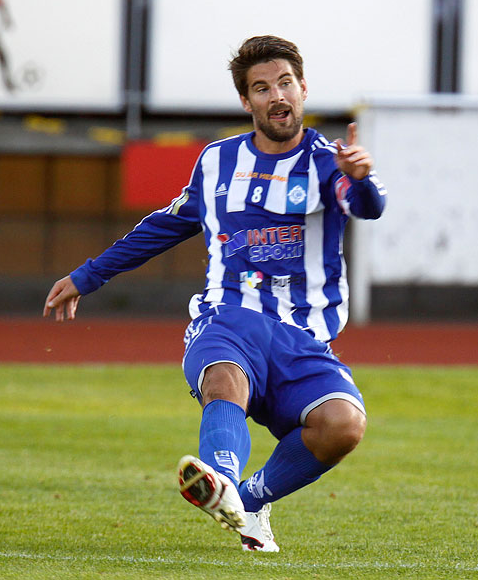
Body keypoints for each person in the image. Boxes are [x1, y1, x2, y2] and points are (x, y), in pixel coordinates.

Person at [43, 35, 387, 552]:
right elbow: (166, 225)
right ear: (246, 102)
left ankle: (246, 500)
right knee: (225, 380)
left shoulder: (329, 162)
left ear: (304, 89)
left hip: (303, 338)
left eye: (286, 83)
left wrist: (360, 178)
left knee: (343, 425)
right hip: (227, 318)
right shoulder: (217, 161)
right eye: (263, 87)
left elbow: (367, 205)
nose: (278, 96)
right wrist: (89, 275)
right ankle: (220, 476)